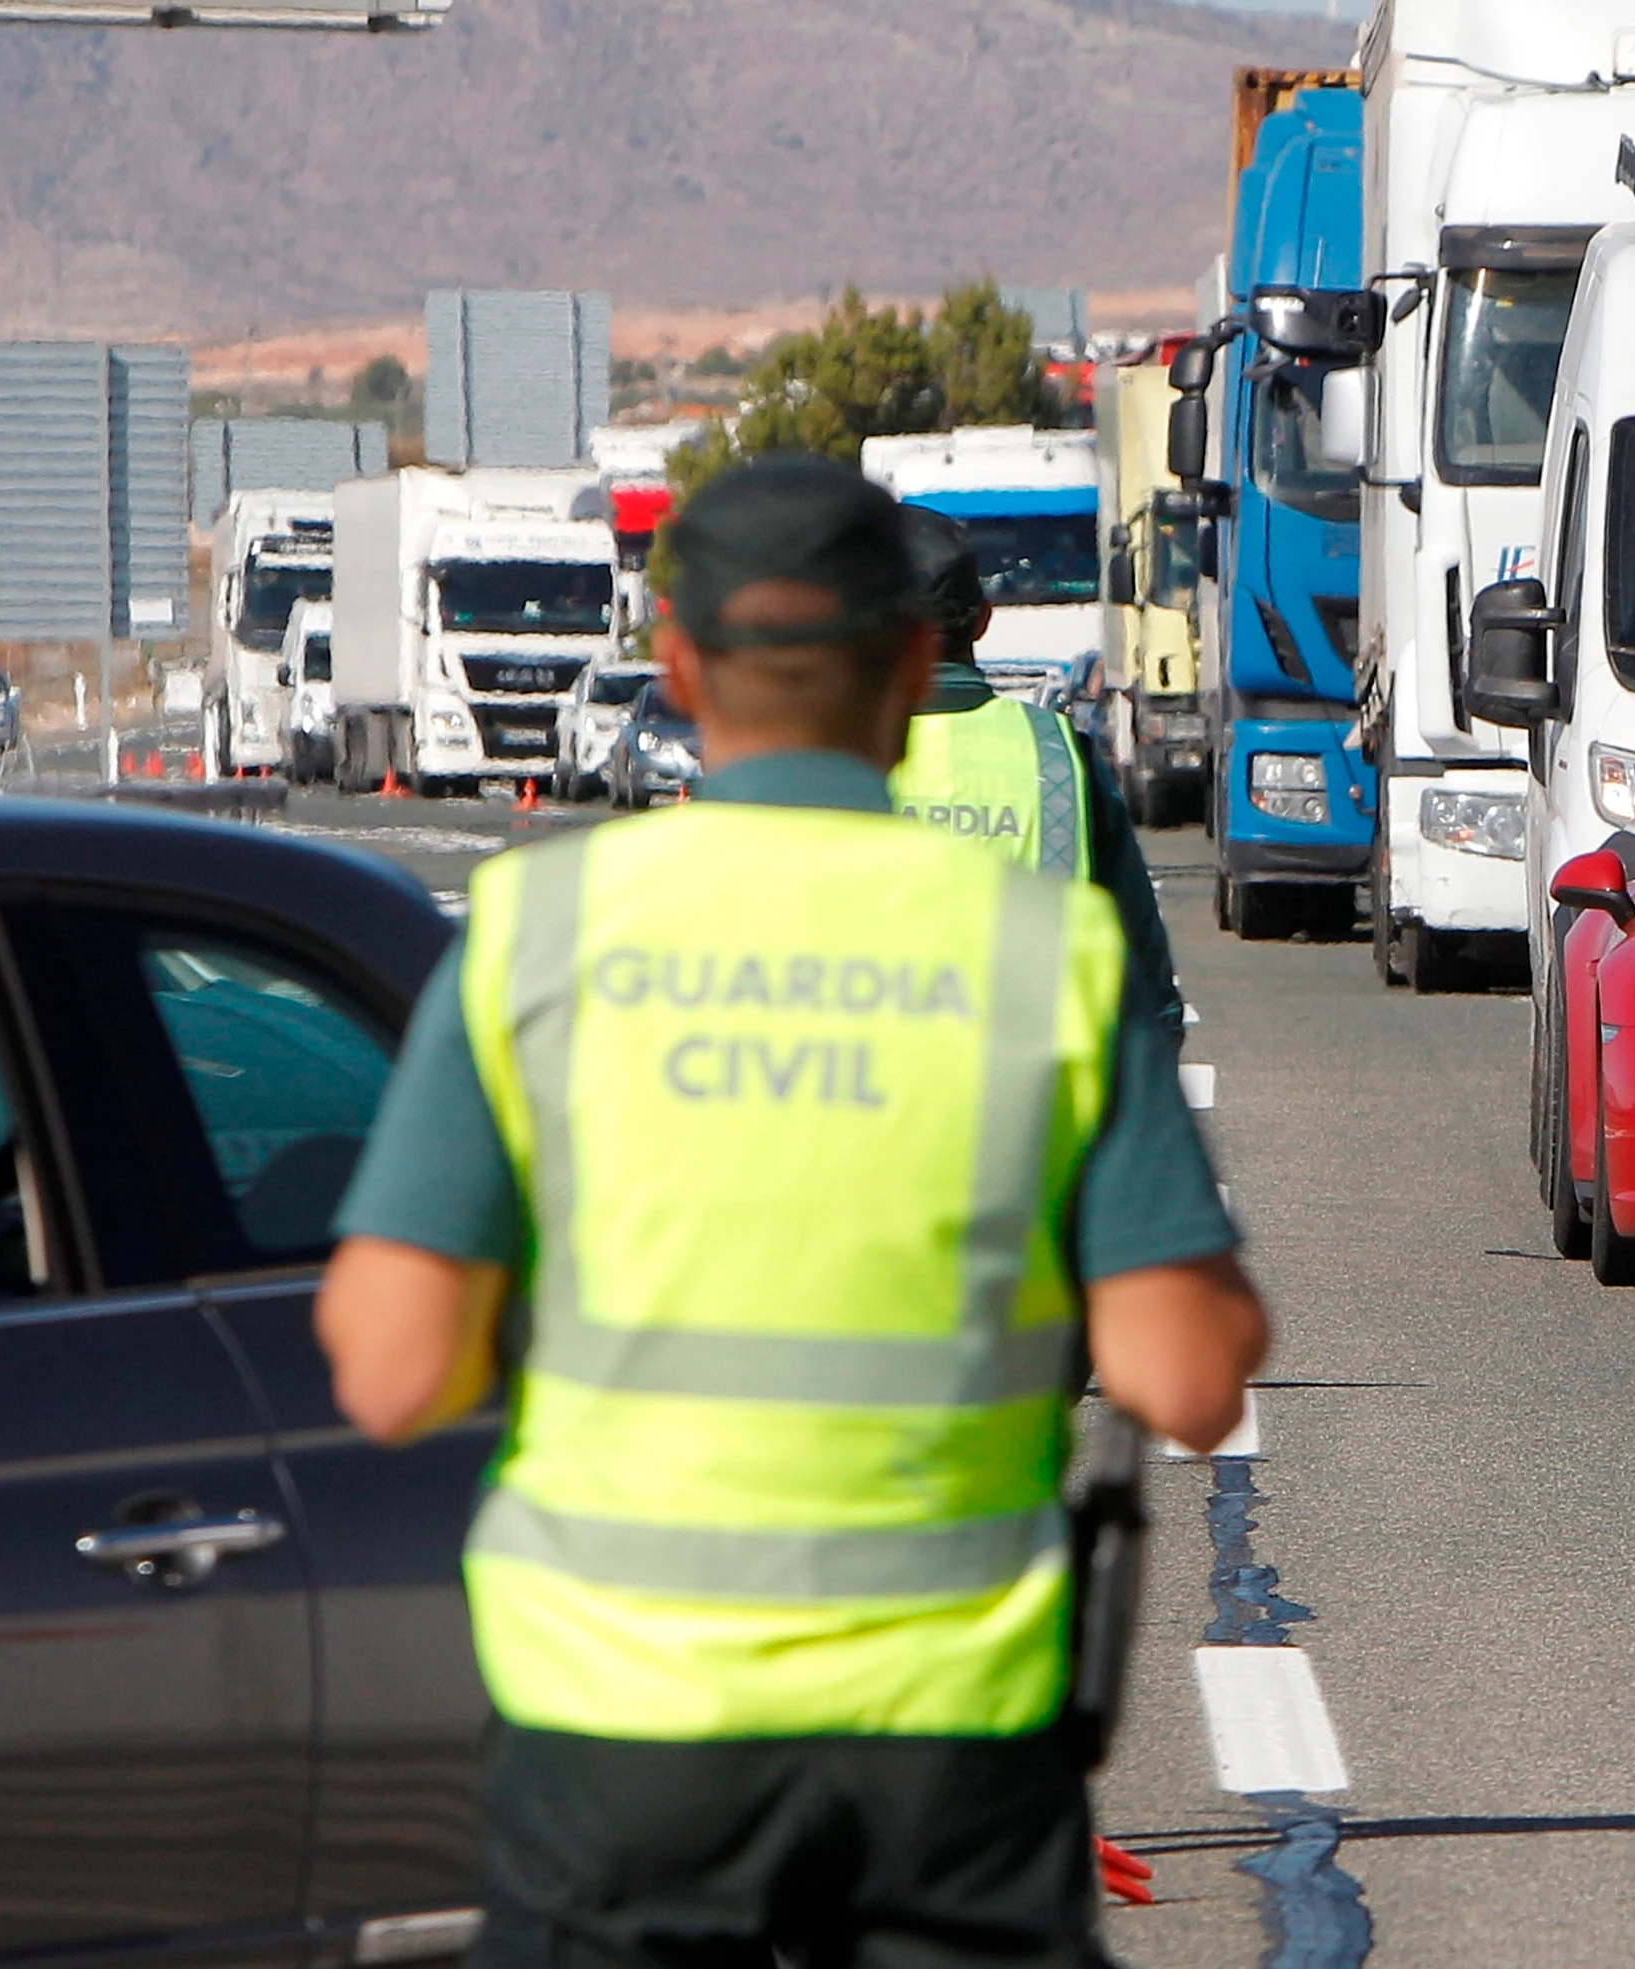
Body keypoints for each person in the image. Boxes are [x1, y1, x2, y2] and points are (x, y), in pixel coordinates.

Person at [313, 453, 1267, 1965]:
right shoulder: (1040, 958)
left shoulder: (536, 938)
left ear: (679, 667)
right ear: (914, 658)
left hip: (617, 1737)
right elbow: (1190, 1375)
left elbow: (388, 1366)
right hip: (946, 1747)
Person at [895, 504, 1185, 1041]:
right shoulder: (1059, 755)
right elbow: (1145, 982)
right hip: (1041, 1100)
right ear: (983, 620)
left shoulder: (821, 764)